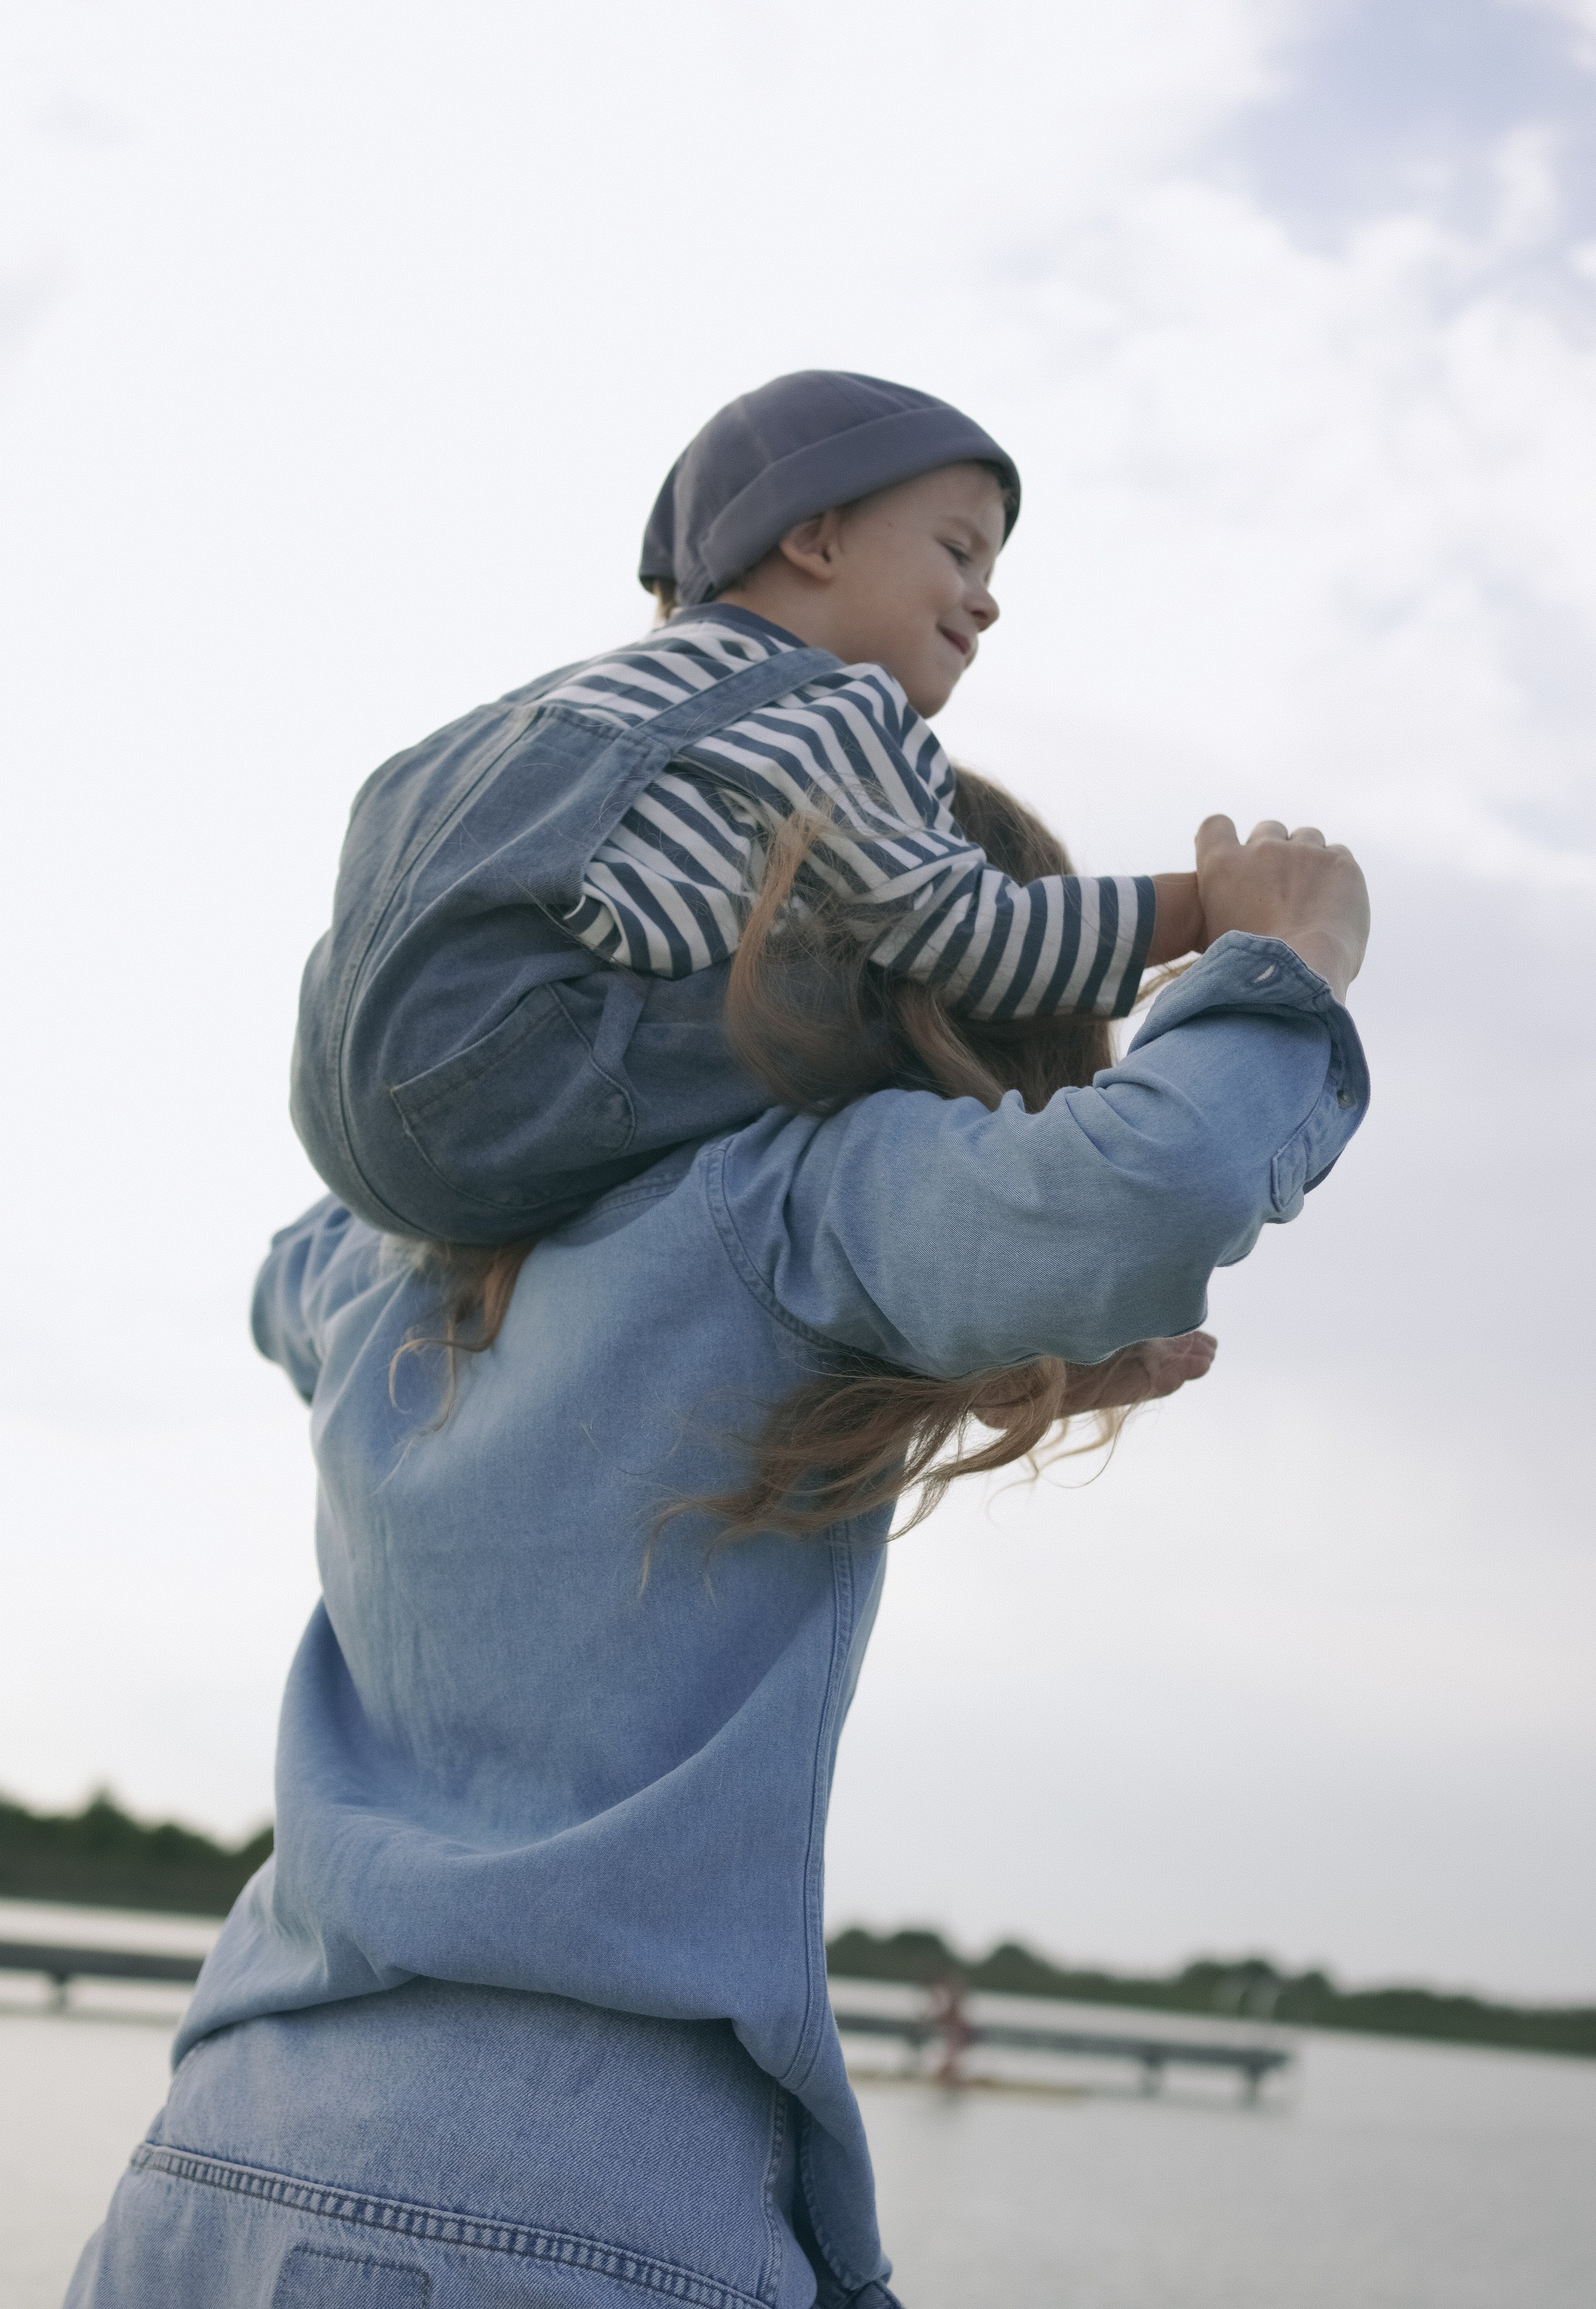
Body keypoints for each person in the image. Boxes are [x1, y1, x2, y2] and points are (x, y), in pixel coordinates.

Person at [66, 780, 1370, 2309]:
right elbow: (1160, 1177)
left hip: (212, 2163)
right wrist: (1287, 962)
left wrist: (979, 1332)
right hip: (577, 2195)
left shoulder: (379, 1257)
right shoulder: (790, 1211)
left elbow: (309, 1282)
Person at [291, 370, 1211, 1246]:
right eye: (958, 551)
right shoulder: (831, 707)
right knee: (905, 989)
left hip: (343, 1117)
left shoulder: (560, 696)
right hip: (512, 1093)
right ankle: (1005, 1277)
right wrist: (1214, 905)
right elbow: (983, 940)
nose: (989, 601)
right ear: (813, 541)